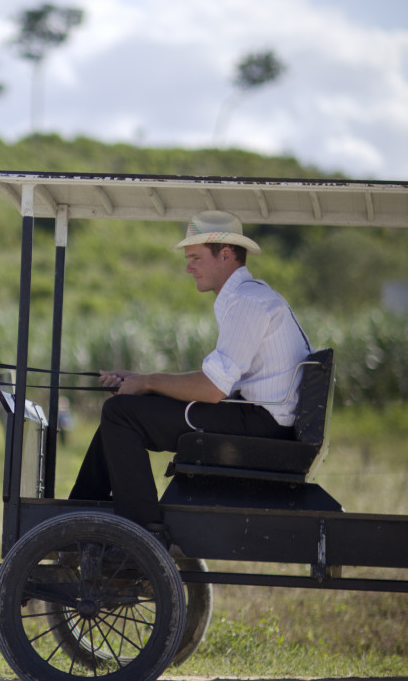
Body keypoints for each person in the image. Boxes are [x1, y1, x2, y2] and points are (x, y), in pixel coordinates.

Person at [68, 210, 311, 529]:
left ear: (225, 255)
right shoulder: (250, 297)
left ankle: (141, 531)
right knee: (123, 411)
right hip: (258, 416)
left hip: (261, 423)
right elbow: (217, 382)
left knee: (120, 413)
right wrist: (140, 381)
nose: (188, 267)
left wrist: (147, 384)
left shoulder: (247, 303)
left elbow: (212, 388)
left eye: (195, 257)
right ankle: (78, 515)